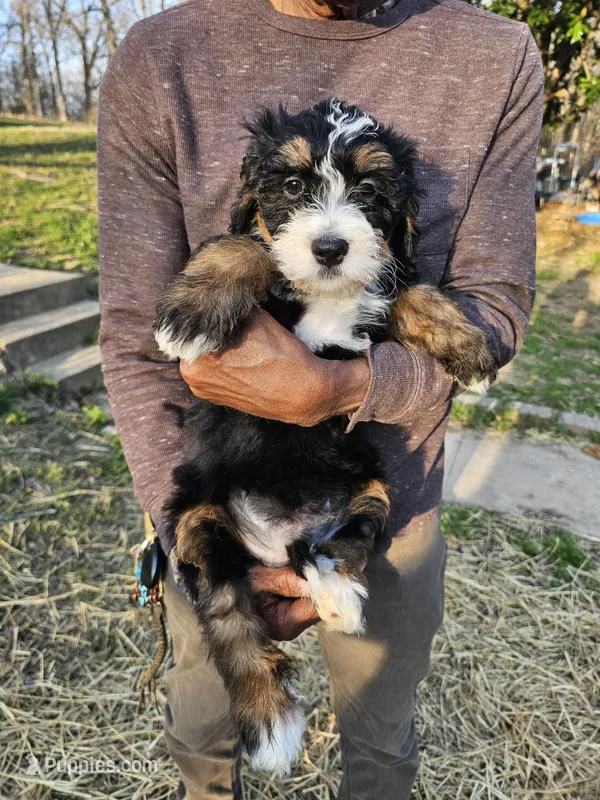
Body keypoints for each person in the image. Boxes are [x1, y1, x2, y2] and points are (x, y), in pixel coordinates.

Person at [97, 0, 543, 797]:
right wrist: (187, 525)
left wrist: (350, 384)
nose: (331, 225)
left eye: (366, 198)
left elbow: (492, 314)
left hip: (378, 497)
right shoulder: (158, 54)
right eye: (296, 194)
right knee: (202, 736)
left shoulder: (500, 53)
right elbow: (140, 334)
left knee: (380, 741)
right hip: (216, 486)